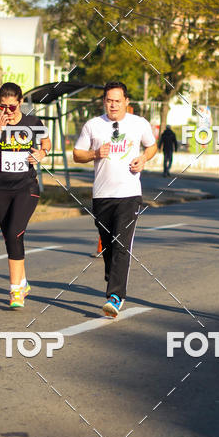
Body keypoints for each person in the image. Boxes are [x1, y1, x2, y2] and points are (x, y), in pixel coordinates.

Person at [73, 81, 157, 318]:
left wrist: (143, 158)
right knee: (108, 244)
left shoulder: (138, 123)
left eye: (117, 100)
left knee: (121, 244)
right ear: (104, 101)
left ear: (126, 102)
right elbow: (77, 154)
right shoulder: (93, 125)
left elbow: (152, 147)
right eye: (109, 100)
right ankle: (113, 278)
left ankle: (116, 296)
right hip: (102, 195)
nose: (113, 104)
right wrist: (94, 154)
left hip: (129, 194)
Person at [0, 82, 51, 308]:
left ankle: (15, 291)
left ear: (20, 103)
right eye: (3, 107)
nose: (7, 112)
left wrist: (42, 153)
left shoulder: (33, 123)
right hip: (0, 190)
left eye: (11, 107)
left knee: (13, 232)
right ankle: (22, 282)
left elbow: (46, 143)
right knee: (12, 237)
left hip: (26, 188)